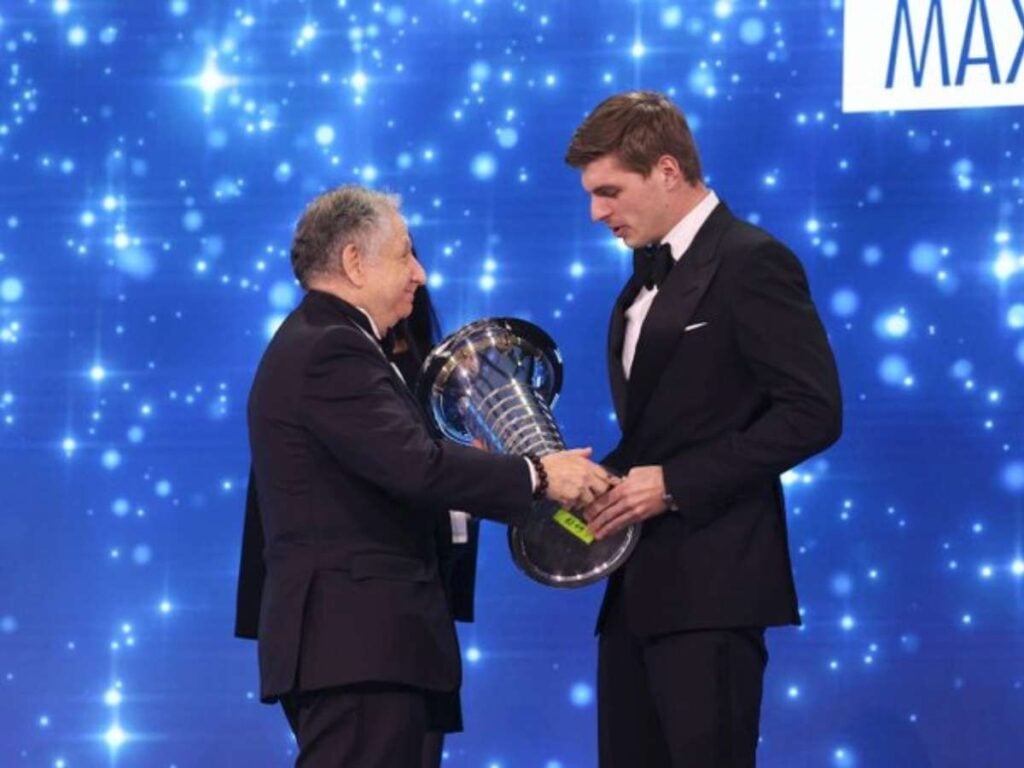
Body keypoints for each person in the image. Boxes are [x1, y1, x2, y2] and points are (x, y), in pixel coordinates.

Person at [234, 184, 613, 767]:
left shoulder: (330, 342)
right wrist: (536, 474)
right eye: (406, 253)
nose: (420, 272)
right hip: (358, 648)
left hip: (372, 648)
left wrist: (490, 468)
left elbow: (398, 471)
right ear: (355, 263)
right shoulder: (331, 349)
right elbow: (416, 466)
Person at [566, 91, 843, 767]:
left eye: (609, 191)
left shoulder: (752, 261)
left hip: (715, 587)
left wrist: (676, 484)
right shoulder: (638, 283)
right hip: (635, 588)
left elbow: (814, 412)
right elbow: (667, 423)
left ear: (666, 170)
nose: (596, 212)